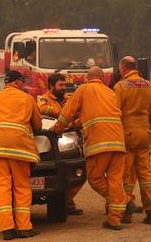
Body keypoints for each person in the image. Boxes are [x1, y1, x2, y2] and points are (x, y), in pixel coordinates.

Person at [51, 66, 135, 230]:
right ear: (102, 79)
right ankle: (115, 219)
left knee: (95, 178)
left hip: (100, 143)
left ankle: (124, 201)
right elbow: (98, 115)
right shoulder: (110, 92)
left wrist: (57, 129)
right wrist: (77, 124)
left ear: (87, 79)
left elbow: (69, 110)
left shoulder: (84, 89)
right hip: (118, 143)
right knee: (115, 180)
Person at [0, 70, 42, 240]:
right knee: (21, 187)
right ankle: (24, 228)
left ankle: (7, 229)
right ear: (18, 82)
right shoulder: (26, 98)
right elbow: (37, 124)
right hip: (19, 148)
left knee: (1, 189)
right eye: (23, 82)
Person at [113, 56, 151, 225]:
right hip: (144, 134)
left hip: (127, 135)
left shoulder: (120, 86)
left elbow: (115, 111)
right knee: (145, 174)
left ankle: (126, 212)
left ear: (124, 69)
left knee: (126, 175)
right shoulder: (148, 85)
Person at [38, 73, 83, 216]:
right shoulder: (43, 100)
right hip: (52, 143)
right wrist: (66, 113)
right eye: (60, 85)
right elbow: (43, 110)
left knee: (79, 174)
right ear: (51, 86)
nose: (64, 88)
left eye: (65, 85)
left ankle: (67, 200)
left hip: (70, 140)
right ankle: (67, 203)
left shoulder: (69, 99)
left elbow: (79, 113)